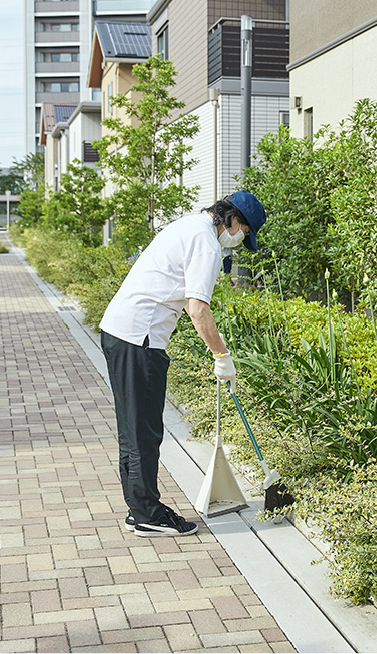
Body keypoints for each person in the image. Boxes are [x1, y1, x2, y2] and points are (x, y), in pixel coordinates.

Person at [99, 191, 267, 537]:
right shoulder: (206, 243)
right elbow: (197, 308)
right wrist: (223, 356)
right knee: (143, 432)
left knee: (133, 430)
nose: (240, 240)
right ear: (233, 219)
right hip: (139, 339)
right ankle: (147, 513)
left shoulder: (189, 225)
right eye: (245, 232)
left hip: (121, 333)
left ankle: (139, 509)